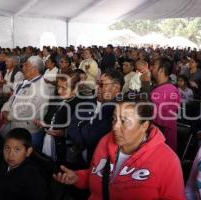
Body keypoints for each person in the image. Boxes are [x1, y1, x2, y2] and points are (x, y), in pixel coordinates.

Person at [54, 95, 186, 199]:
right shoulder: (105, 142)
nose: (115, 127)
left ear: (144, 125)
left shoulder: (167, 160)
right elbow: (95, 174)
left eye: (124, 121)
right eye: (114, 119)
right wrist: (78, 177)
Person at [66, 68, 124, 166]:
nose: (97, 87)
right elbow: (72, 128)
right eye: (97, 83)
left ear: (116, 88)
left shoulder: (119, 112)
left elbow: (92, 136)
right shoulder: (86, 103)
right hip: (80, 161)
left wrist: (83, 134)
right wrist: (82, 142)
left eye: (102, 84)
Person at [1, 56, 49, 151]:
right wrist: (5, 109)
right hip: (17, 126)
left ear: (34, 69)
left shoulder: (40, 88)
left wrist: (8, 116)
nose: (23, 68)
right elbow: (12, 98)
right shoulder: (26, 82)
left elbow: (27, 110)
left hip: (29, 132)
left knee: (28, 160)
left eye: (26, 65)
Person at [0, 128, 48, 200]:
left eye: (17, 149)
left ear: (28, 151)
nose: (10, 154)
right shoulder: (3, 163)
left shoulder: (33, 177)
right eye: (7, 148)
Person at [150, 58, 180, 152]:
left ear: (161, 70)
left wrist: (146, 86)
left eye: (154, 66)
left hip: (162, 140)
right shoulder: (163, 87)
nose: (151, 69)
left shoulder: (169, 90)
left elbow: (151, 112)